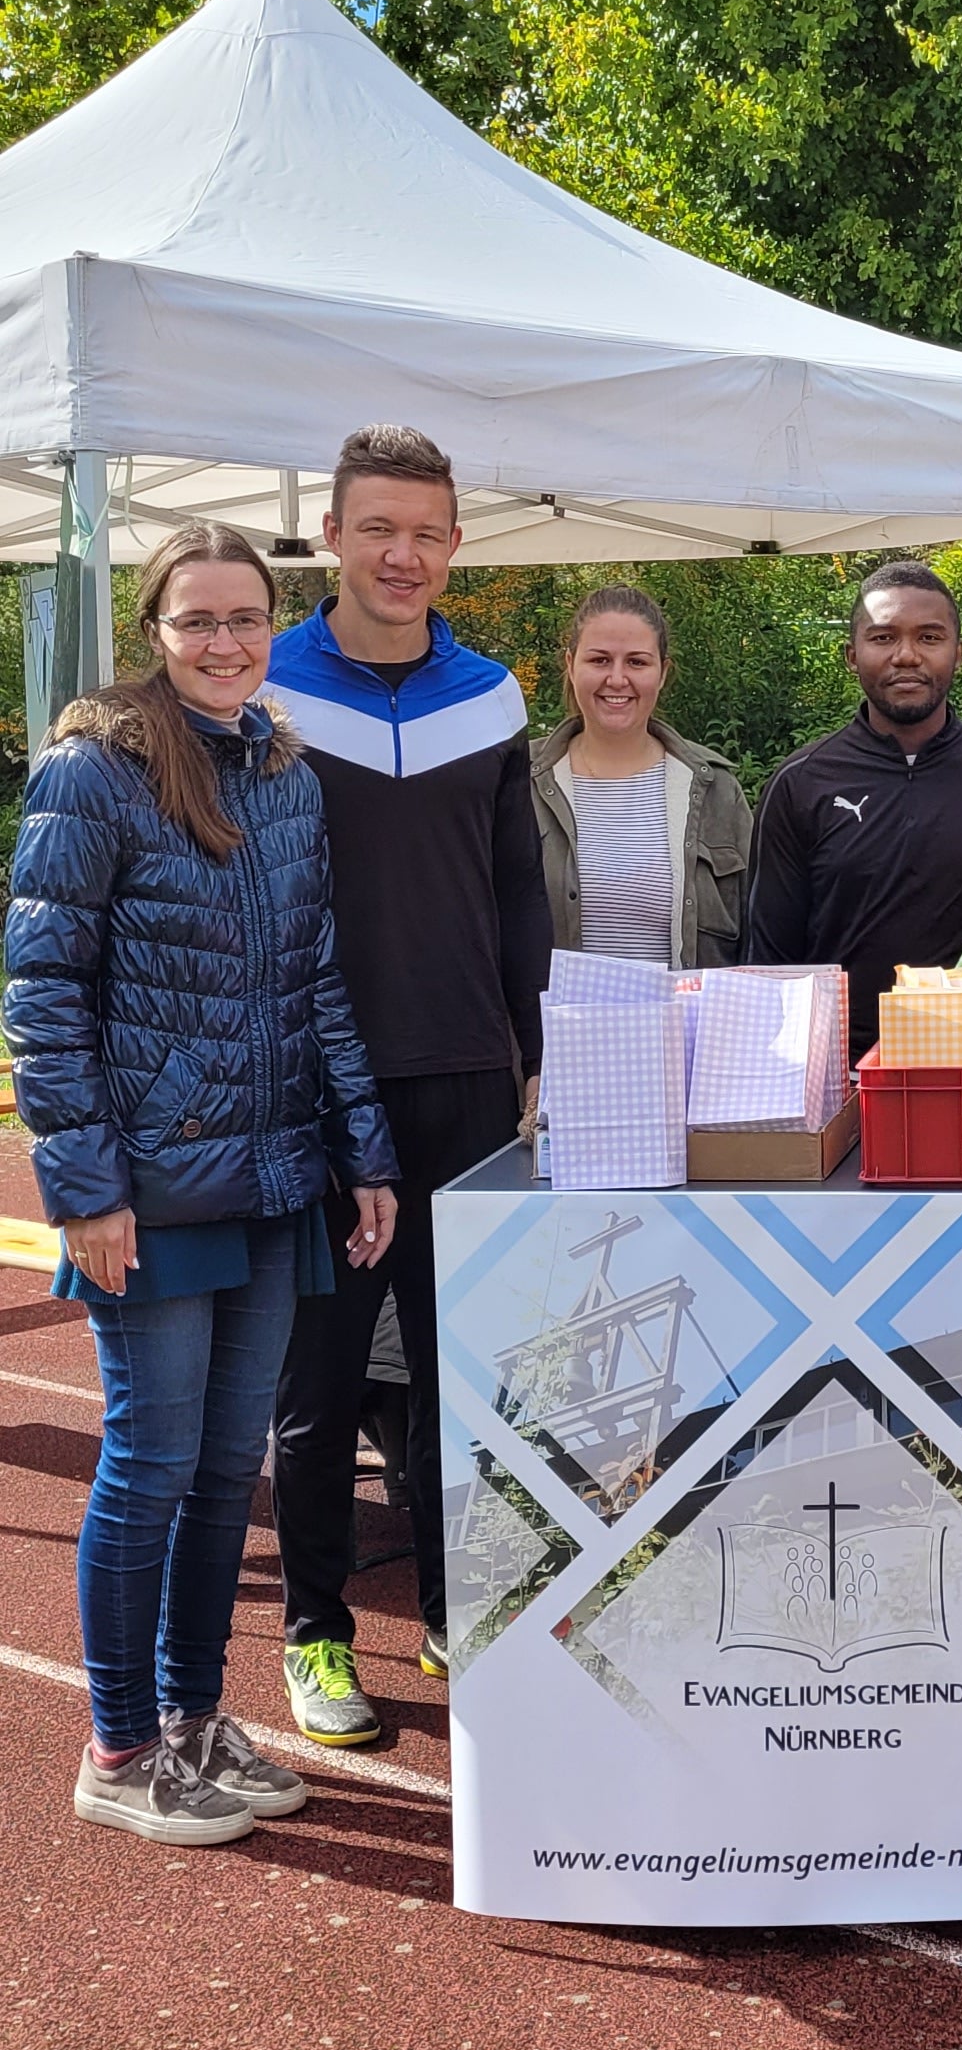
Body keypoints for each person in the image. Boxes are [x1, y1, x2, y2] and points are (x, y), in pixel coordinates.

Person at [3, 524, 398, 1847]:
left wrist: (363, 1151)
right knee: (152, 1465)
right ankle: (118, 1749)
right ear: (156, 630)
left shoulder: (285, 770)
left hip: (275, 1175)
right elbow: (43, 993)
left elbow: (319, 979)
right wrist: (85, 1189)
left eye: (245, 619)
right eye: (197, 620)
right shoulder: (94, 768)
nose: (224, 643)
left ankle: (192, 1721)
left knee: (231, 1469)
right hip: (155, 1185)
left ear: (271, 629)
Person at [263, 426, 551, 1744]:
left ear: (455, 546)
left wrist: (532, 1051)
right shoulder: (266, 688)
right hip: (318, 1089)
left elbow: (517, 891)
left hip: (468, 1083)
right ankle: (316, 1635)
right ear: (333, 534)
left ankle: (455, 1613)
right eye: (378, 528)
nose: (402, 554)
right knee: (320, 1388)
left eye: (427, 533)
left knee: (461, 1377)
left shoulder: (490, 696)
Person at [745, 560, 962, 1051]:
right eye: (883, 638)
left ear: (958, 654)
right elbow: (770, 963)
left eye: (929, 637)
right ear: (851, 655)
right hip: (837, 1072)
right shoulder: (800, 784)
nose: (906, 656)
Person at [531, 583, 752, 964]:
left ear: (663, 673)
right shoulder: (517, 782)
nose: (617, 679)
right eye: (600, 660)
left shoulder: (716, 789)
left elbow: (760, 931)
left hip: (687, 1006)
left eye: (637, 662)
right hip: (548, 1007)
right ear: (570, 665)